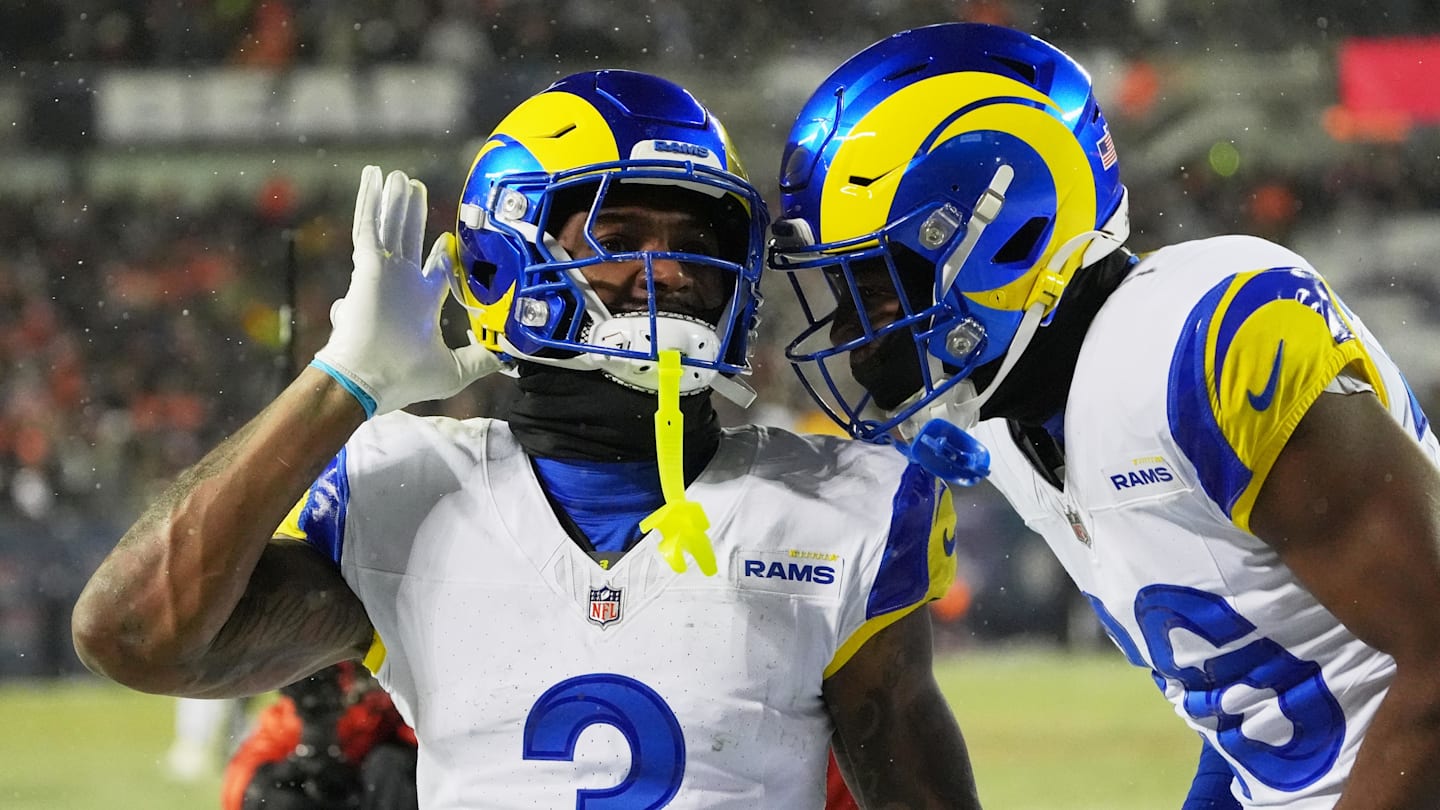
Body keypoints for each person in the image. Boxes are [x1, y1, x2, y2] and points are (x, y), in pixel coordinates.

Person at [71, 69, 981, 808]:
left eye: (694, 238)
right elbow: (135, 636)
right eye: (619, 233)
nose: (669, 270)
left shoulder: (839, 506)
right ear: (506, 255)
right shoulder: (404, 490)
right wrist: (343, 380)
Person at [768, 22, 1440, 809]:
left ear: (1000, 238)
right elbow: (1247, 712)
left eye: (875, 286)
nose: (851, 336)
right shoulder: (1011, 427)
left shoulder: (1206, 345)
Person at [222, 662, 418, 810]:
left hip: (395, 768)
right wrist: (257, 791)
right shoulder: (319, 689)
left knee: (392, 766)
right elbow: (240, 778)